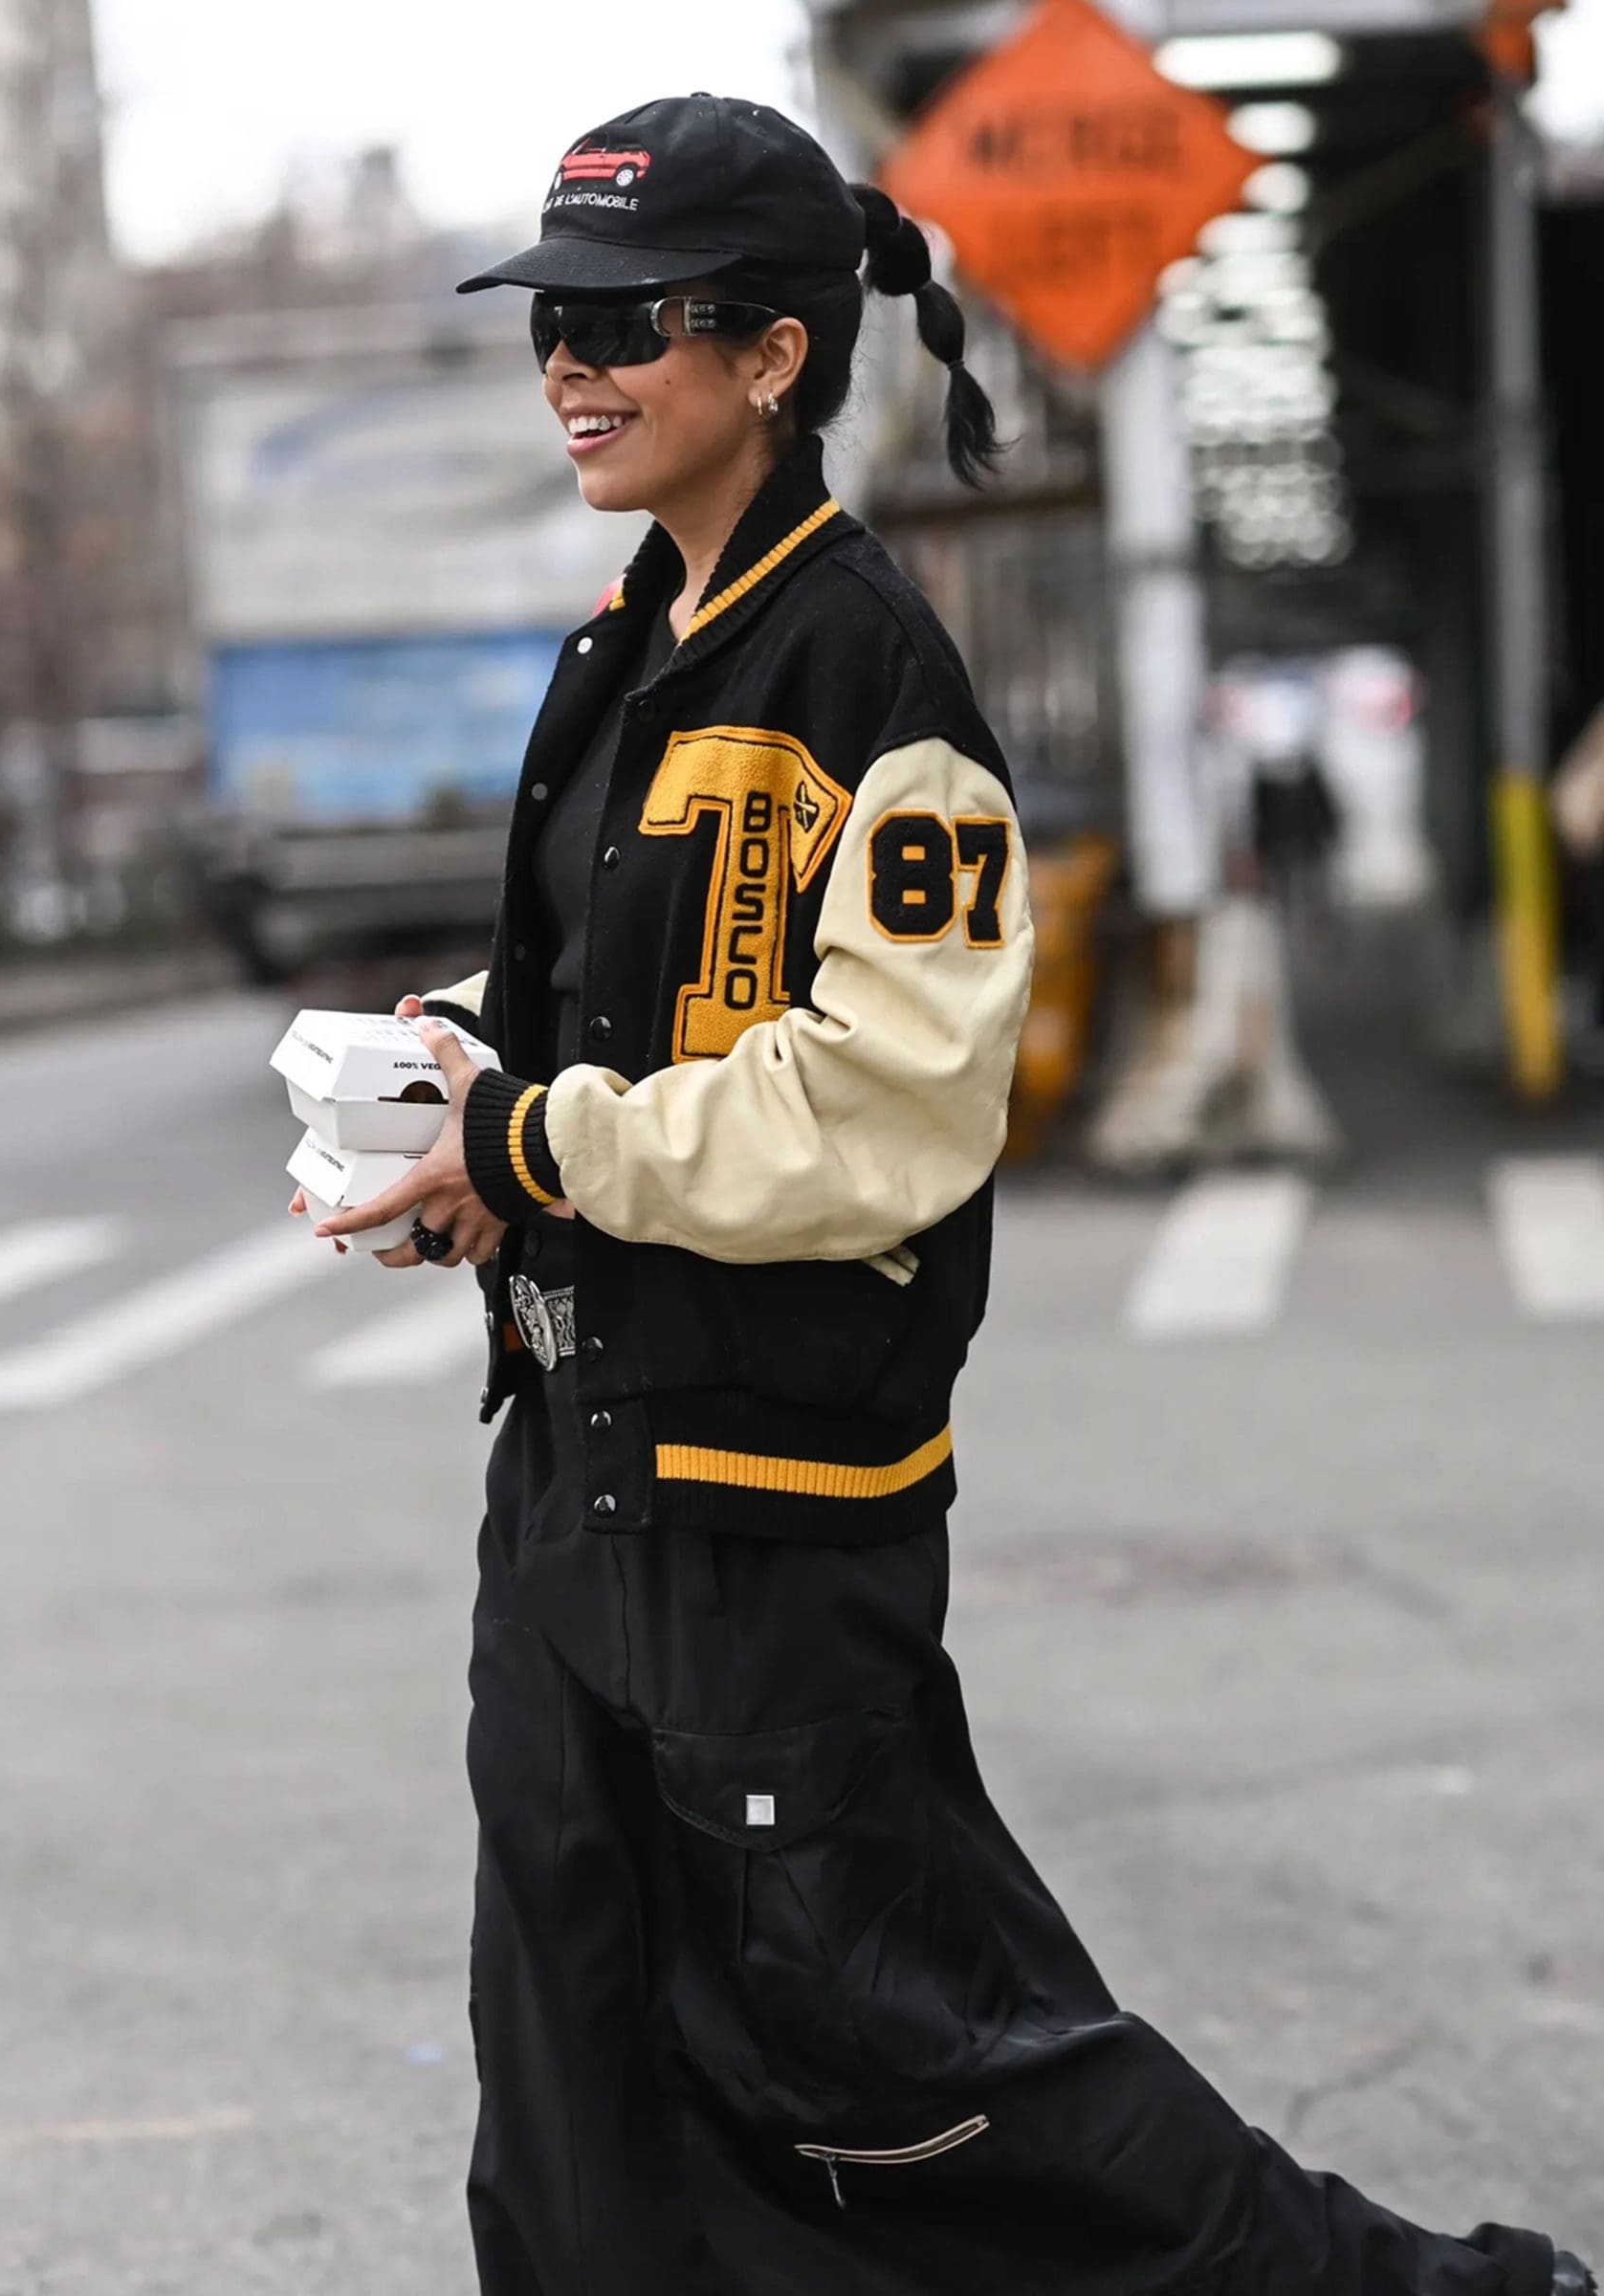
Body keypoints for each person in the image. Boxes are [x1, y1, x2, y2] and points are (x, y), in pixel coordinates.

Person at [297, 93, 1594, 2296]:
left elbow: (890, 1107)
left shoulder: (867, 672)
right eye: (548, 326)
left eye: (624, 322)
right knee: (576, 2051)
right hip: (580, 1477)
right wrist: (455, 1078)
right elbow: (599, 1000)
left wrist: (538, 1144)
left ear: (773, 355)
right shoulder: (630, 641)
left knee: (924, 2060)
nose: (570, 366)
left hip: (768, 1508)